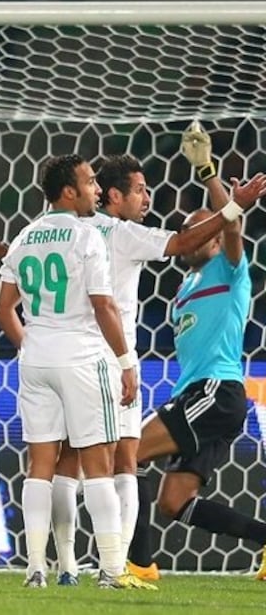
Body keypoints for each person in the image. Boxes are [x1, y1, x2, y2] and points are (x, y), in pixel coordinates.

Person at [0, 124, 266, 584]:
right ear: (111, 198)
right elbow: (184, 242)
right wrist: (231, 202)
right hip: (102, 363)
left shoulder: (51, 233)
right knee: (134, 476)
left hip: (63, 360)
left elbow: (18, 260)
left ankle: (71, 565)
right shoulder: (126, 241)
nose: (148, 199)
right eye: (139, 191)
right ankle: (115, 565)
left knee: (64, 463)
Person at [0, 154, 146, 589]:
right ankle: (114, 570)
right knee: (98, 464)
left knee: (40, 465)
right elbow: (104, 306)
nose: (97, 189)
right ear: (68, 191)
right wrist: (126, 363)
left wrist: (34, 344)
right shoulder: (86, 237)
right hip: (82, 358)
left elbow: (3, 309)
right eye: (90, 182)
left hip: (36, 360)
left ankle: (36, 568)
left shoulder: (24, 237)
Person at [130, 130, 266, 578]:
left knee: (125, 454)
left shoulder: (230, 271)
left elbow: (231, 224)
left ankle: (138, 563)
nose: (190, 232)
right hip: (199, 394)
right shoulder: (183, 287)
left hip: (215, 390)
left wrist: (209, 175)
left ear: (213, 237)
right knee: (173, 503)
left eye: (198, 228)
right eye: (186, 227)